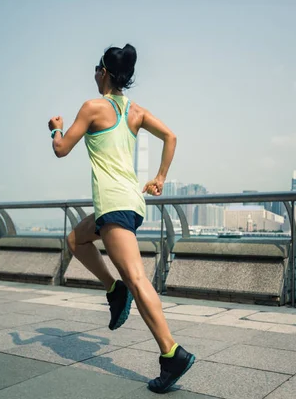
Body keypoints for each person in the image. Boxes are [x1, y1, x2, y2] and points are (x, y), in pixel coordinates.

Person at [48, 44, 194, 393]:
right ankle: (114, 290)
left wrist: (56, 128)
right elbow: (171, 136)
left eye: (96, 69)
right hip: (128, 202)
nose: (94, 75)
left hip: (113, 205)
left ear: (105, 73)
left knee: (137, 279)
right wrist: (158, 178)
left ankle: (171, 352)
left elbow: (61, 149)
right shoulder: (136, 111)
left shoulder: (92, 107)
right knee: (76, 240)